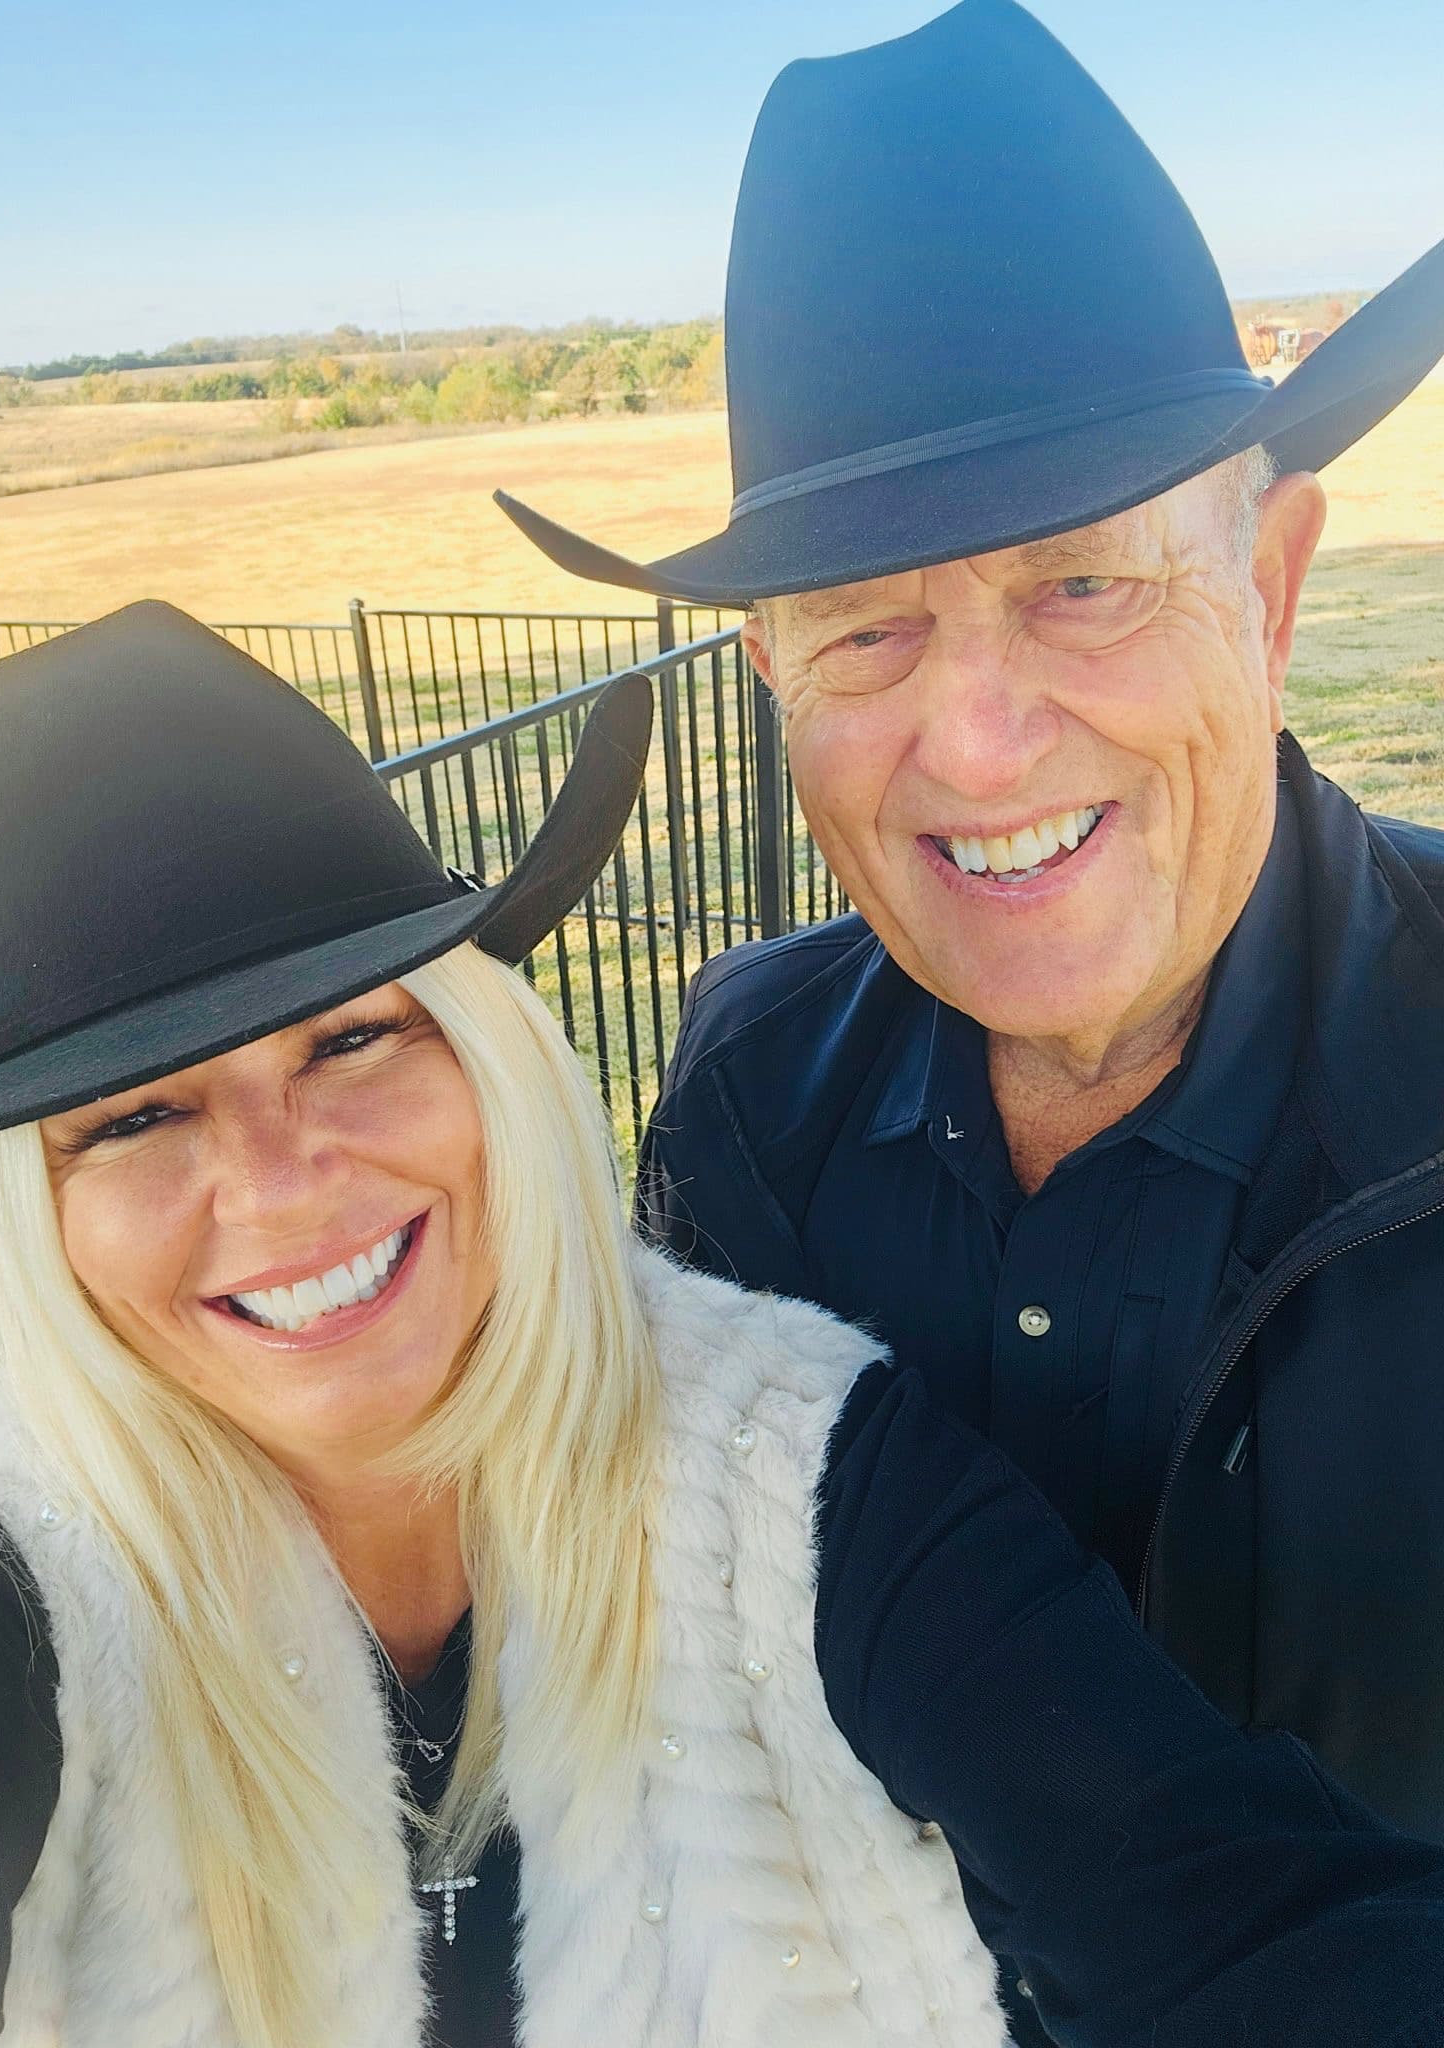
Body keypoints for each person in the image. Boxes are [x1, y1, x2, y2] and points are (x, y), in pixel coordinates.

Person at [0, 605, 1444, 2048]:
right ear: (42, 1218)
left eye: (356, 1035)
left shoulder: (791, 1468)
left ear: (487, 1059)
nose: (276, 1179)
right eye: (134, 1118)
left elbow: (1220, 1904)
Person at [495, 9, 1444, 2041]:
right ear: (772, 676)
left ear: (1269, 587)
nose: (979, 738)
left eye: (1085, 583)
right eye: (866, 627)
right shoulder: (748, 1105)